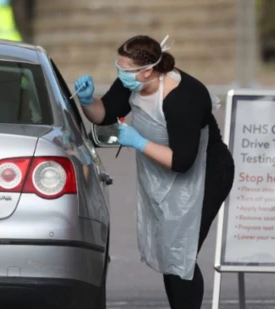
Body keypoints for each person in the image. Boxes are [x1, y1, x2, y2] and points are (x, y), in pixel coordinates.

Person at [73, 35, 235, 309]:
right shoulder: (134, 83)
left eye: (124, 70)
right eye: (118, 67)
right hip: (162, 172)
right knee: (168, 252)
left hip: (207, 174)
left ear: (147, 70)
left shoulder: (183, 97)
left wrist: (137, 141)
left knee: (180, 253)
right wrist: (87, 101)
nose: (119, 74)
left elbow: (183, 161)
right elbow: (105, 113)